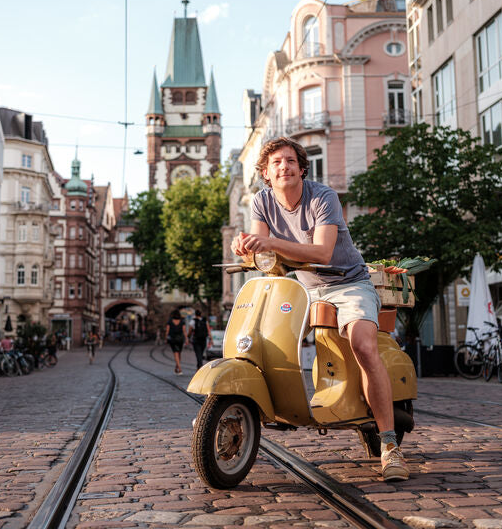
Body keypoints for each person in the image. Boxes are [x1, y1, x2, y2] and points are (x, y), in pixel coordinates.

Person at [231, 136, 409, 482]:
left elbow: (322, 253)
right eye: (276, 163)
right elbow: (263, 256)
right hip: (304, 289)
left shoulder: (323, 196)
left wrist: (267, 242)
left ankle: (389, 447)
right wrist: (246, 248)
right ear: (266, 173)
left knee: (363, 346)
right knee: (266, 341)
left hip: (349, 283)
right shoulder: (261, 202)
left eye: (290, 161)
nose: (284, 166)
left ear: (301, 167)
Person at [165, 309, 187, 375]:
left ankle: (178, 368)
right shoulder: (182, 321)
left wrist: (166, 338)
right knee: (179, 353)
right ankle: (177, 368)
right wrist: (186, 338)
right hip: (180, 339)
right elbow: (184, 331)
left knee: (176, 353)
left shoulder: (170, 321)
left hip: (173, 339)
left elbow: (167, 331)